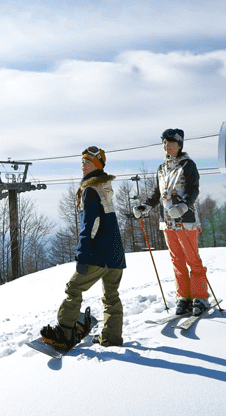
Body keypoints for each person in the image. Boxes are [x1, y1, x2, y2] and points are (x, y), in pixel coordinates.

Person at [40, 146, 127, 350]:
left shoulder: (89, 190)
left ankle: (64, 333)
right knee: (111, 296)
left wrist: (82, 254)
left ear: (97, 165)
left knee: (74, 288)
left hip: (98, 254)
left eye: (87, 162)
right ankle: (112, 338)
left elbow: (91, 224)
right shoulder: (104, 187)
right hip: (115, 253)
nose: (83, 166)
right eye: (82, 162)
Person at [134, 128, 210, 316]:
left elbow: (193, 189)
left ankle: (200, 297)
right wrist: (146, 206)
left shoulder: (187, 164)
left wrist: (184, 206)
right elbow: (157, 193)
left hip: (186, 220)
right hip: (167, 221)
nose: (167, 146)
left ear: (180, 145)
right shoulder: (162, 168)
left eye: (172, 143)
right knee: (177, 260)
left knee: (193, 259)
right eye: (165, 143)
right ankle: (183, 297)